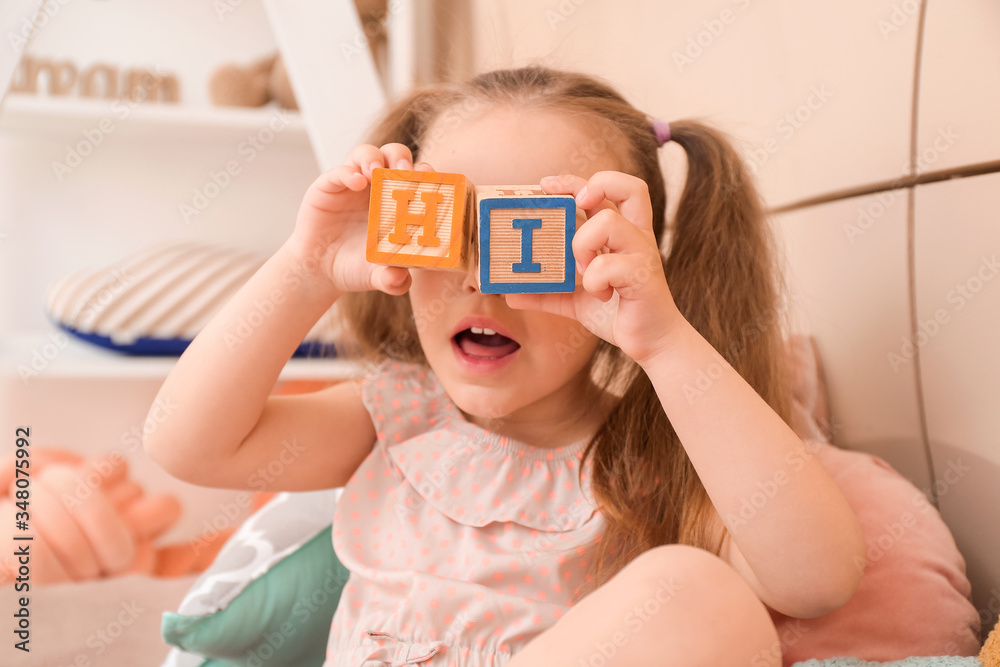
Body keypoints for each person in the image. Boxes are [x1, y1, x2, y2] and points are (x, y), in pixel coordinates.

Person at [144, 66, 866, 667]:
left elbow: (819, 580)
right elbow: (187, 442)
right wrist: (307, 268)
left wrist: (664, 338)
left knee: (702, 595)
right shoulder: (395, 421)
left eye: (531, 239)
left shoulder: (644, 460)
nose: (482, 282)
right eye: (447, 232)